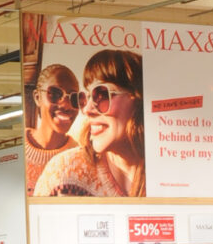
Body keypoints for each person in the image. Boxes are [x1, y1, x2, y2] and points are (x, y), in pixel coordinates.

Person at [35, 48, 146, 199]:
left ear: (138, 99)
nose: (87, 110)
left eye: (101, 95)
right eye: (86, 97)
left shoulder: (168, 171)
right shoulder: (64, 172)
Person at [24, 62, 79, 192]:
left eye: (74, 98)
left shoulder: (80, 159)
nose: (66, 105)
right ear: (37, 97)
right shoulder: (16, 149)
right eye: (55, 94)